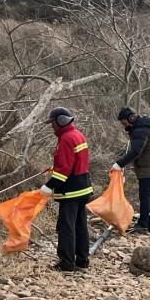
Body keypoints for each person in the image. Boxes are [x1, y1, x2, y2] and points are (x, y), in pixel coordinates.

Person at [40, 107, 93, 272]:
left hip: (71, 191)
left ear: (60, 121)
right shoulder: (78, 134)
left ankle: (66, 263)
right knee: (80, 225)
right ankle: (82, 260)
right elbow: (74, 163)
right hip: (83, 188)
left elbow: (64, 171)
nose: (52, 126)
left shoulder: (66, 139)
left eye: (53, 123)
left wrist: (49, 186)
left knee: (66, 227)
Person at [112, 107, 150, 234]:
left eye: (124, 123)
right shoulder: (144, 126)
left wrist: (119, 164)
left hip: (148, 169)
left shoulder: (140, 130)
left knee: (146, 196)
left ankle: (143, 225)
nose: (124, 126)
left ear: (131, 118)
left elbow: (135, 152)